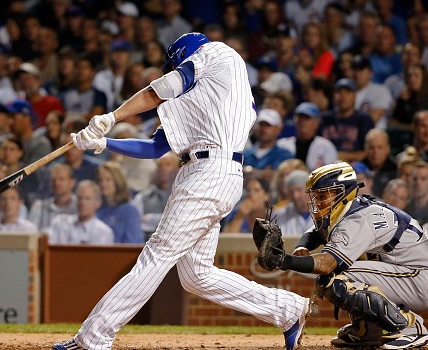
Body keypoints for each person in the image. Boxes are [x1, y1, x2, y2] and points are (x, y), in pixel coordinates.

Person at [53, 32, 309, 350]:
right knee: (196, 275)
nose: (175, 71)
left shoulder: (217, 53)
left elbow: (160, 89)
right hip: (211, 173)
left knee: (157, 255)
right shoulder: (211, 97)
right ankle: (287, 310)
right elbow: (155, 147)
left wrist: (111, 117)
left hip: (209, 171)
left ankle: (94, 338)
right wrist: (104, 143)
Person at [274, 162, 428, 349]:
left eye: (323, 195)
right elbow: (313, 233)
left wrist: (285, 261)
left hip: (419, 276)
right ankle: (368, 332)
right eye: (316, 196)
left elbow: (327, 264)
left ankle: (412, 327)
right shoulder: (351, 209)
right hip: (409, 273)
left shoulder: (360, 217)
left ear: (344, 192)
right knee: (344, 276)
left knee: (336, 278)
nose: (318, 202)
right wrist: (300, 248)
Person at [48, 180, 114, 245]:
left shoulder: (103, 232)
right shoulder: (60, 223)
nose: (82, 203)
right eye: (80, 198)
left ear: (98, 203)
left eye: (87, 199)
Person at [96, 161, 143, 244]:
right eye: (100, 180)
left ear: (117, 182)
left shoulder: (130, 211)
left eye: (108, 180)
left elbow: (133, 243)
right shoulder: (96, 208)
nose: (103, 184)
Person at [28, 163, 77, 232]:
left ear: (72, 183)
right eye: (53, 180)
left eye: (61, 179)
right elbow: (31, 235)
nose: (56, 183)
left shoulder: (80, 207)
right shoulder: (39, 207)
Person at [271, 170, 313, 236]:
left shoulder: (326, 213)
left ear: (310, 190)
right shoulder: (279, 215)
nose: (295, 196)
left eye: (299, 190)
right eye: (291, 192)